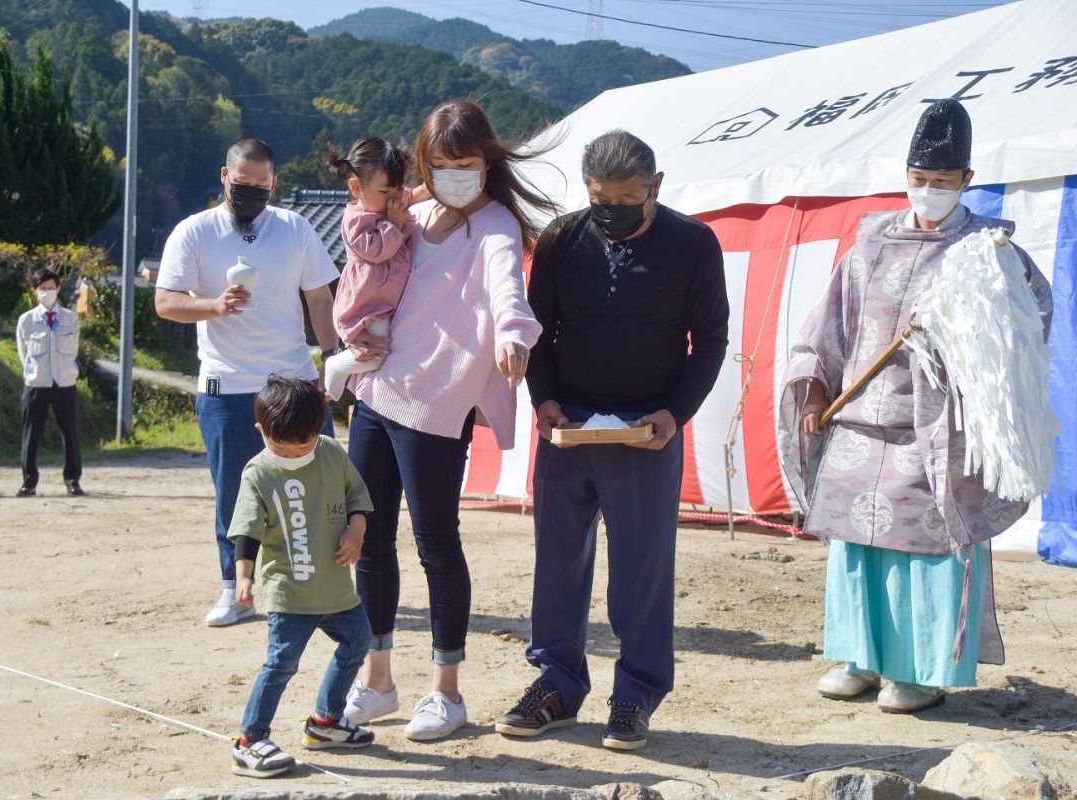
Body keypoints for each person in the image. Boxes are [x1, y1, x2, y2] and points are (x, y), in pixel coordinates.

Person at [778, 99, 1053, 714]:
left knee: (925, 552)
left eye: (942, 182)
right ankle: (859, 659)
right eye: (919, 180)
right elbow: (830, 323)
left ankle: (921, 670)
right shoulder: (869, 244)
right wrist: (817, 389)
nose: (928, 191)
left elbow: (1029, 321)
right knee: (856, 549)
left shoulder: (988, 252)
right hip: (860, 424)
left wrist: (965, 338)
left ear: (967, 182)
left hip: (936, 433)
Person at [497, 130, 728, 751]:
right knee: (558, 560)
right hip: (567, 425)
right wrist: (540, 398)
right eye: (600, 198)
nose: (612, 210)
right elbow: (539, 330)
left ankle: (636, 693)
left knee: (642, 568)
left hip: (646, 428)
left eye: (627, 198)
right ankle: (556, 683)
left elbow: (708, 342)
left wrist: (675, 414)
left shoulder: (694, 244)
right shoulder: (562, 239)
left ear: (656, 187)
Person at [340, 98, 552, 741]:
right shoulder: (413, 211)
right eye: (442, 164)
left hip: (436, 402)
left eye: (467, 163)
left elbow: (506, 288)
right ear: (423, 165)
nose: (456, 174)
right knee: (368, 539)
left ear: (486, 162)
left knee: (436, 543)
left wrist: (515, 336)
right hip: (375, 390)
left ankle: (446, 691)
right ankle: (377, 679)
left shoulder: (493, 225)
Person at [155, 137, 341, 627]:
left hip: (295, 381)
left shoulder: (295, 228)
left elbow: (320, 298)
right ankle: (235, 591)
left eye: (262, 186)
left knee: (320, 488)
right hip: (226, 385)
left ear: (274, 183)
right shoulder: (195, 232)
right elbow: (166, 301)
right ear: (224, 177)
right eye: (243, 184)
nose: (252, 194)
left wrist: (333, 357)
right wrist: (213, 306)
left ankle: (322, 586)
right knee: (235, 496)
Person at [228, 375, 375, 778]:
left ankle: (326, 722)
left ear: (319, 429)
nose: (295, 452)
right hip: (289, 594)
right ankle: (250, 740)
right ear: (261, 430)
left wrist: (356, 529)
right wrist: (243, 578)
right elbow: (246, 531)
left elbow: (356, 498)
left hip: (336, 591)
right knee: (281, 664)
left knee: (358, 641)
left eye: (304, 444)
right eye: (282, 446)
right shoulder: (258, 473)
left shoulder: (330, 452)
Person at [321, 137, 412, 401]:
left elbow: (412, 195)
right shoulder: (355, 219)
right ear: (355, 187)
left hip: (382, 301)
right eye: (385, 193)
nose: (394, 200)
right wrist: (393, 225)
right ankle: (337, 366)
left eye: (398, 190)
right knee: (376, 356)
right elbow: (378, 251)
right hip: (368, 306)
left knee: (380, 353)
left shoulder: (389, 204)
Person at [15, 267, 83, 497]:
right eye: (42, 289)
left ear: (58, 289)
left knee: (70, 433)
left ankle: (73, 481)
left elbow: (73, 349)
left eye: (51, 288)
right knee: (31, 434)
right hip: (37, 384)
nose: (47, 293)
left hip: (64, 383)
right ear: (34, 291)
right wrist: (34, 373)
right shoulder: (26, 320)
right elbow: (23, 353)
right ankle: (29, 482)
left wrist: (66, 371)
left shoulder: (70, 318)